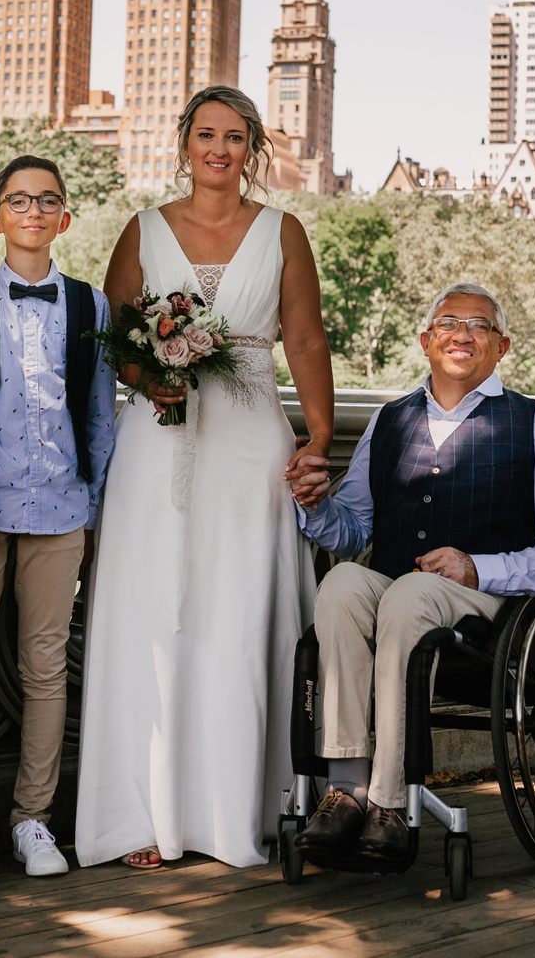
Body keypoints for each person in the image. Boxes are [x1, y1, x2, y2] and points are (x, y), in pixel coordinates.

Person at [75, 86, 333, 870]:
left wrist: (319, 436)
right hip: (158, 444)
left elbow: (305, 338)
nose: (218, 149)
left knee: (237, 616)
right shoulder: (143, 229)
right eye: (205, 134)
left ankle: (237, 813)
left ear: (252, 147)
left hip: (252, 444)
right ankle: (140, 814)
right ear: (183, 142)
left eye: (234, 136)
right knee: (150, 614)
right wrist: (145, 376)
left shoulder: (285, 231)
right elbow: (115, 336)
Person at [289, 282, 535, 861]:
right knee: (339, 585)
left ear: (502, 347)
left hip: (486, 609)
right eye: (449, 322)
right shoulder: (389, 422)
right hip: (398, 591)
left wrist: (478, 569)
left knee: (410, 597)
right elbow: (354, 528)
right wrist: (314, 507)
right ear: (426, 340)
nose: (462, 334)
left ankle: (388, 802)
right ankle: (347, 789)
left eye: (479, 326)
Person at [0, 156, 114, 883]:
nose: (33, 210)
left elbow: (99, 413)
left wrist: (97, 506)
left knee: (45, 666)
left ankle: (32, 819)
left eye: (47, 200)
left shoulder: (92, 305)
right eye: (18, 201)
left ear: (64, 217)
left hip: (61, 507)